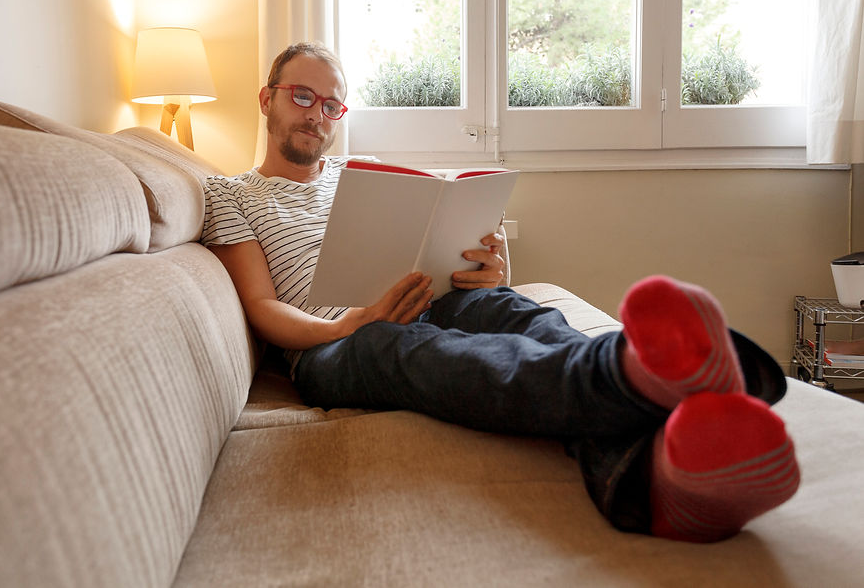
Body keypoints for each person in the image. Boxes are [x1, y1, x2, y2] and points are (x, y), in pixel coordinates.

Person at [201, 42, 799, 543]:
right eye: (302, 97)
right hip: (335, 344)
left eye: (331, 104)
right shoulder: (231, 195)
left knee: (508, 308)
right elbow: (262, 308)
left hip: (425, 298)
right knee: (413, 350)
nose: (317, 116)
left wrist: (482, 266)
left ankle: (651, 478)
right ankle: (626, 375)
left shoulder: (364, 172)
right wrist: (347, 325)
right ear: (267, 98)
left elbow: (427, 256)